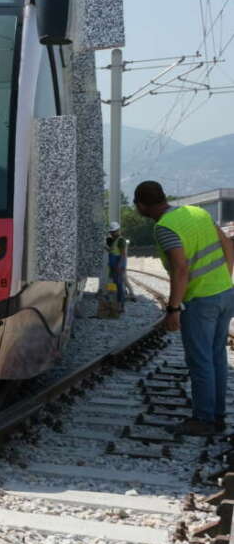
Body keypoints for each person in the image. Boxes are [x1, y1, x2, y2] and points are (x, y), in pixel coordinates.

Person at [134, 180, 234, 436]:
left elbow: (180, 269)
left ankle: (204, 420)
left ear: (142, 205)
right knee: (217, 358)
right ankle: (217, 416)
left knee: (200, 360)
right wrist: (224, 280)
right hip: (224, 293)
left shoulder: (165, 227)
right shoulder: (198, 213)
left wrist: (173, 309)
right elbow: (228, 246)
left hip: (200, 301)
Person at [106, 222, 128, 307]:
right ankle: (114, 302)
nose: (112, 233)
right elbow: (113, 251)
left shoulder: (121, 240)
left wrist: (119, 266)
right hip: (113, 266)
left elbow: (123, 254)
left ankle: (120, 304)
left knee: (119, 285)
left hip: (118, 266)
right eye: (111, 232)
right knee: (113, 284)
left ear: (118, 230)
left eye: (113, 231)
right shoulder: (114, 240)